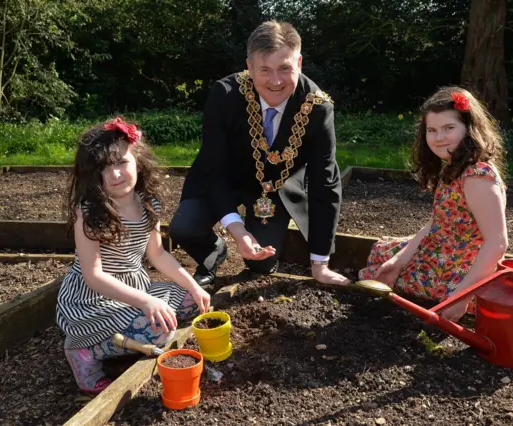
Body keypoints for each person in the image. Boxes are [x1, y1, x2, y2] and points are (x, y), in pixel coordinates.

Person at [169, 21, 349, 287]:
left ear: (299, 63)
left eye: (285, 68)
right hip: (224, 178)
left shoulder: (318, 108)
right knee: (184, 228)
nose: (275, 81)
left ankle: (261, 245)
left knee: (261, 264)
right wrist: (238, 230)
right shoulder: (225, 94)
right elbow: (213, 166)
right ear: (249, 67)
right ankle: (213, 253)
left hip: (274, 188)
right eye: (265, 70)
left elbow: (325, 182)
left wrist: (320, 264)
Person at [56, 117, 211, 394]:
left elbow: (158, 254)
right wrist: (147, 301)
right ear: (91, 173)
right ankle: (84, 352)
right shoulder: (90, 212)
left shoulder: (148, 203)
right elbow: (94, 276)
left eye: (121, 163)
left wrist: (193, 284)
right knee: (161, 331)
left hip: (134, 287)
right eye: (104, 167)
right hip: (92, 299)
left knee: (191, 301)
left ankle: (125, 338)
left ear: (137, 161)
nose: (115, 174)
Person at [359, 87, 508, 322]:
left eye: (449, 128)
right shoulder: (454, 167)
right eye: (432, 130)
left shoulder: (477, 176)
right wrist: (400, 260)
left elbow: (497, 242)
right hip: (442, 248)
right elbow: (436, 223)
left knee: (377, 273)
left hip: (462, 266)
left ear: (469, 129)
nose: (439, 138)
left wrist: (461, 296)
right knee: (384, 257)